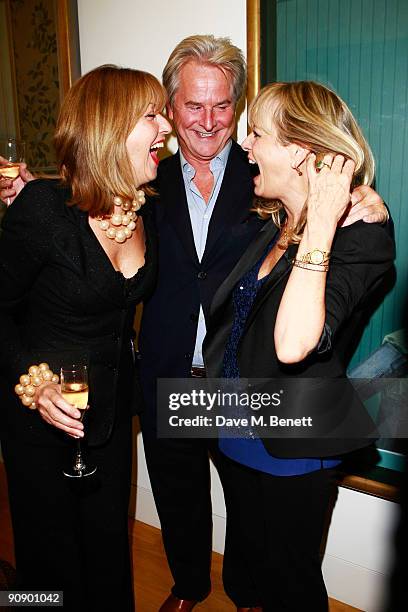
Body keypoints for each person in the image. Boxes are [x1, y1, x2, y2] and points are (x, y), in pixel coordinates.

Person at [0, 35, 389, 612]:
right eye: (178, 108)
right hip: (135, 384)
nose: (206, 122)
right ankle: (159, 589)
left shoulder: (261, 188)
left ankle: (244, 592)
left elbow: (318, 253)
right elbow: (69, 223)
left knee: (207, 522)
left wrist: (361, 198)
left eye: (226, 108)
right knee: (61, 556)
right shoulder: (140, 185)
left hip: (228, 392)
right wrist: (35, 197)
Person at [202, 80, 395, 611]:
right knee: (245, 568)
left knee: (290, 579)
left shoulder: (361, 235)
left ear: (300, 149)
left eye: (257, 133)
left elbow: (293, 344)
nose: (244, 145)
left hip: (294, 445)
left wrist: (324, 220)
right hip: (233, 430)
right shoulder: (271, 224)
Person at [0, 64, 170, 611]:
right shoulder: (45, 210)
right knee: (49, 559)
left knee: (106, 546)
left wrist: (353, 205)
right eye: (152, 115)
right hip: (42, 414)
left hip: (111, 416)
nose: (166, 127)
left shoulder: (147, 207)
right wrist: (36, 384)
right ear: (109, 126)